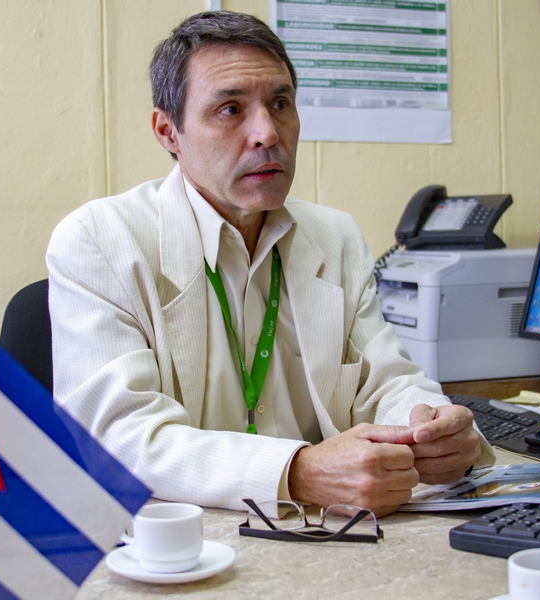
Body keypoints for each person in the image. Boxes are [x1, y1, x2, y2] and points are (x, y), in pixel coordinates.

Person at [46, 10, 494, 517]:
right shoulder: (101, 241)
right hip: (182, 545)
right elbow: (117, 439)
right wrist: (298, 472)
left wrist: (430, 427)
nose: (267, 132)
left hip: (326, 542)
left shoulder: (335, 237)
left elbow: (386, 379)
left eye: (280, 104)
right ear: (168, 131)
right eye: (230, 109)